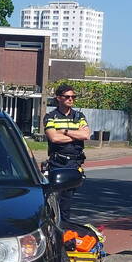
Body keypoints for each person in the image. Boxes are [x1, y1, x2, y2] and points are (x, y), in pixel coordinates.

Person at [44, 84, 90, 222]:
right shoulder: (51, 116)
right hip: (58, 162)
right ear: (58, 98)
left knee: (68, 200)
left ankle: (65, 227)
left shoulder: (79, 116)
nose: (71, 99)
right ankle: (57, 227)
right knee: (56, 200)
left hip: (74, 162)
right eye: (67, 97)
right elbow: (54, 138)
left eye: (73, 97)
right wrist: (76, 135)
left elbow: (86, 135)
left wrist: (64, 131)